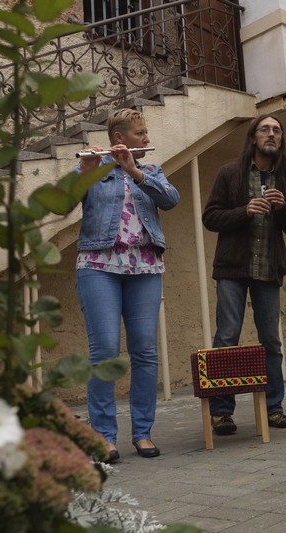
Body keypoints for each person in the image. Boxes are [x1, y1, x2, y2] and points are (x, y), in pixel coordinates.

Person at [76, 108, 180, 460]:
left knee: (145, 351)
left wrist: (134, 171)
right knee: (104, 350)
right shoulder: (92, 168)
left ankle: (142, 433)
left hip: (145, 267)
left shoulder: (151, 171)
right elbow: (63, 204)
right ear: (119, 138)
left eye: (146, 132)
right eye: (140, 133)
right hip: (98, 266)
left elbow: (171, 200)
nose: (147, 139)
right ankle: (103, 436)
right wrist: (84, 174)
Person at [202, 114, 286, 436]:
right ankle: (221, 412)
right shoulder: (229, 173)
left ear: (281, 140)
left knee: (271, 339)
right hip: (232, 269)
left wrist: (282, 209)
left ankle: (274, 408)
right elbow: (210, 217)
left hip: (268, 271)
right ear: (253, 138)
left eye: (277, 130)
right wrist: (244, 211)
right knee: (227, 337)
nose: (271, 134)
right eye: (265, 129)